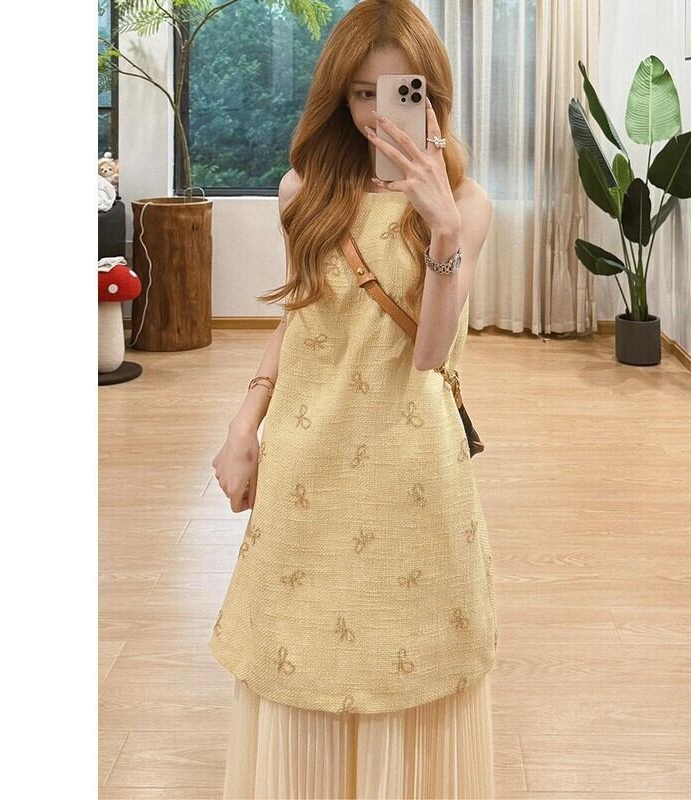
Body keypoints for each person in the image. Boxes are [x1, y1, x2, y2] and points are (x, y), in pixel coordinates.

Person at [209, 1, 496, 797]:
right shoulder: (301, 190)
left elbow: (430, 352)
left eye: (398, 92)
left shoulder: (467, 206)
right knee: (294, 655)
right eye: (362, 93)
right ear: (338, 96)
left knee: (415, 661)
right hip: (309, 462)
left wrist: (442, 231)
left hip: (414, 466)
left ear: (431, 97)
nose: (377, 113)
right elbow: (304, 318)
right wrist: (244, 423)